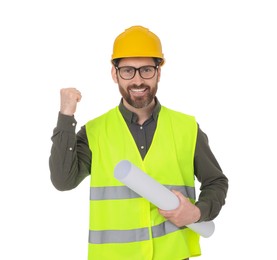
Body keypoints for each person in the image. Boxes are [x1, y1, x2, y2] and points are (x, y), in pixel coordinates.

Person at [49, 25, 228, 260]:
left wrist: (196, 213)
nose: (137, 80)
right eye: (127, 71)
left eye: (146, 70)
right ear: (114, 74)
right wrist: (66, 117)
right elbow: (63, 181)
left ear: (158, 72)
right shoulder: (94, 132)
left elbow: (216, 182)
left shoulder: (186, 128)